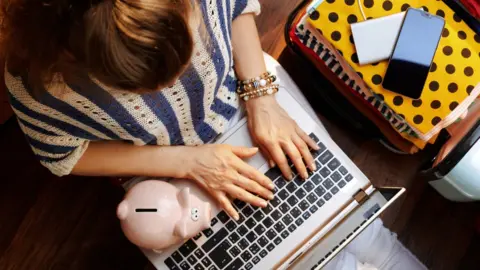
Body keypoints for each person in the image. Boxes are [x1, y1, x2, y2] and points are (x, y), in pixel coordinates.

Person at [1, 0, 426, 268]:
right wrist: (187, 161)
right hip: (167, 167)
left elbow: (239, 6)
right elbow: (63, 154)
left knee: (361, 229)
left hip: (249, 97)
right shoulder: (39, 84)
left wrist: (261, 97)